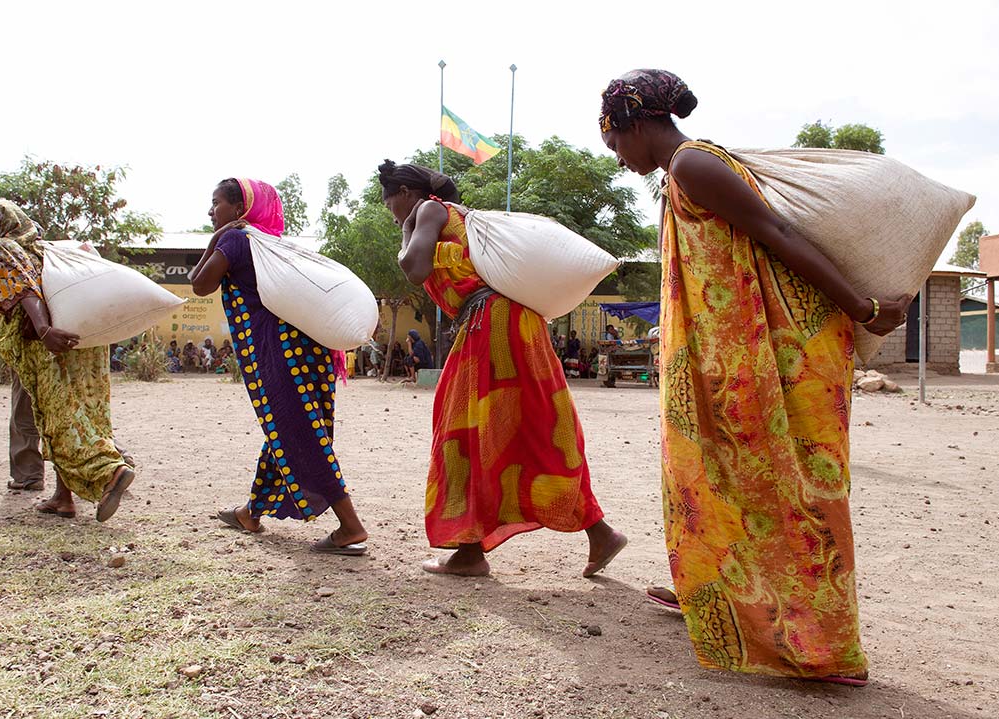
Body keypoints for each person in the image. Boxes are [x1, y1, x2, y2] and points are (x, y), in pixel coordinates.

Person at [599, 69, 912, 685]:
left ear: (635, 123)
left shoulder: (694, 164)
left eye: (615, 143)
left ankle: (823, 646)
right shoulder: (682, 171)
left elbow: (778, 232)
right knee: (723, 472)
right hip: (733, 354)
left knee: (788, 485)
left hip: (770, 356)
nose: (618, 158)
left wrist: (863, 308)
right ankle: (718, 587)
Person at [381, 159, 626, 578]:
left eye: (390, 204)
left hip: (489, 325)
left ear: (404, 193)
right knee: (534, 425)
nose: (391, 213)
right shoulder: (453, 218)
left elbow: (415, 267)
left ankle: (471, 552)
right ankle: (597, 532)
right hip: (516, 325)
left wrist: (406, 231)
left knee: (463, 430)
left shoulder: (428, 210)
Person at [191, 178, 367, 553]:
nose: (211, 211)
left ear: (239, 210)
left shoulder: (237, 240)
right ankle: (250, 512)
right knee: (284, 426)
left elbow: (199, 284)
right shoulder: (271, 245)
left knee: (300, 432)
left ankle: (350, 526)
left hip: (279, 352)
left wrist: (216, 237)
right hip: (307, 352)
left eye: (216, 203)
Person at [0, 199, 135, 522]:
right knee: (76, 412)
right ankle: (63, 498)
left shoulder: (0, 248)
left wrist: (44, 330)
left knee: (57, 418)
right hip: (78, 341)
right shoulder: (43, 249)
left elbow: (25, 290)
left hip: (47, 347)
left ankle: (111, 471)